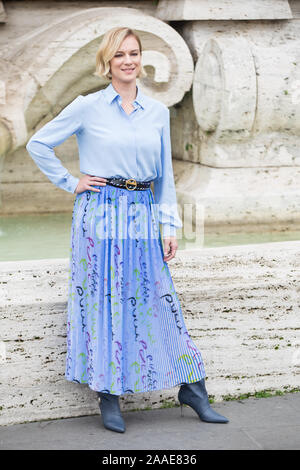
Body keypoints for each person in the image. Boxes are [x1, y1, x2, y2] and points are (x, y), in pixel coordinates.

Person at [26, 26, 228, 433]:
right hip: (99, 210)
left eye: (134, 53)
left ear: (141, 59)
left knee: (160, 296)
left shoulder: (156, 113)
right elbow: (38, 144)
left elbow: (164, 177)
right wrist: (72, 182)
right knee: (105, 301)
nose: (128, 60)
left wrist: (168, 225)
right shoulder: (88, 106)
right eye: (120, 55)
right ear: (108, 62)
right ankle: (109, 394)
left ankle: (193, 387)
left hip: (140, 209)